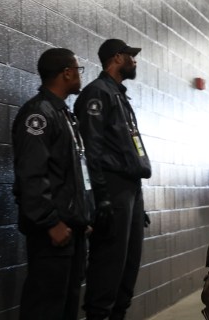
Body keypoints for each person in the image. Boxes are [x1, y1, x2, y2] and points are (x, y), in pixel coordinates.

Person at [75, 39, 152, 320]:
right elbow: (90, 152)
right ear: (117, 58)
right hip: (112, 188)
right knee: (108, 269)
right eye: (131, 56)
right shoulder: (97, 94)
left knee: (128, 270)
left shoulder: (120, 96)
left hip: (131, 189)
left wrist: (136, 201)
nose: (135, 61)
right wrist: (101, 197)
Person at [12, 48, 91, 319]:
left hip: (71, 229)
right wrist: (50, 222)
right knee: (45, 308)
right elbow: (31, 175)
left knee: (66, 306)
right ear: (66, 73)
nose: (80, 76)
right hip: (52, 233)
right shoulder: (39, 115)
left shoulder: (64, 115)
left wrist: (83, 216)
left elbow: (72, 173)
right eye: (78, 70)